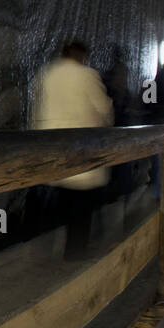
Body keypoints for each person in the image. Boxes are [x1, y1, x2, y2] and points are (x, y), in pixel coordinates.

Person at [29, 41, 112, 254]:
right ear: (81, 54)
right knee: (80, 212)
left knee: (53, 209)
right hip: (81, 156)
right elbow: (104, 111)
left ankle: (42, 253)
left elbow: (36, 111)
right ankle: (74, 253)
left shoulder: (46, 74)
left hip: (51, 154)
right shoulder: (87, 76)